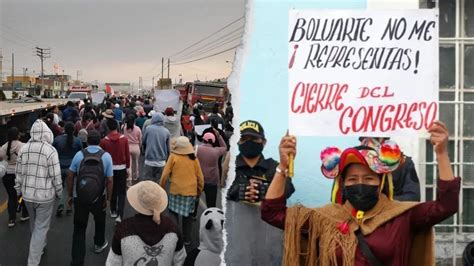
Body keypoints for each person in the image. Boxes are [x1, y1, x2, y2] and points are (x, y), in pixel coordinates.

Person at [261, 121, 459, 265]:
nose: (360, 184)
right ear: (343, 184)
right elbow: (272, 213)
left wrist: (441, 153)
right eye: (353, 179)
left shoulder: (402, 217)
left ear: (381, 183)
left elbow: (446, 205)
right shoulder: (325, 219)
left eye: (369, 178)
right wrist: (283, 168)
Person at [225, 120, 295, 266]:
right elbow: (218, 188)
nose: (248, 142)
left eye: (254, 139)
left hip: (268, 242)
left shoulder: (274, 166)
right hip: (237, 239)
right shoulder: (230, 164)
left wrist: (265, 191)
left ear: (264, 141)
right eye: (244, 138)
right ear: (238, 142)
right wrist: (237, 191)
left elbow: (288, 188)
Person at [15, 119, 63, 265]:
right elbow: (56, 176)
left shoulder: (23, 149)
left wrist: (18, 191)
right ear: (46, 134)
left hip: (27, 195)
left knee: (34, 224)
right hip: (45, 197)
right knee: (41, 226)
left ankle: (41, 246)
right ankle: (33, 261)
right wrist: (59, 193)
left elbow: (19, 173)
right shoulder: (50, 151)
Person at [106, 181, 186, 265]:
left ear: (137, 205)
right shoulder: (173, 228)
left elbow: (112, 262)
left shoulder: (123, 229)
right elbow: (181, 260)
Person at [67, 130, 114, 266]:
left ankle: (77, 260)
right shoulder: (106, 157)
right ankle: (99, 243)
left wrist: (70, 195)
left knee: (79, 228)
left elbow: (70, 176)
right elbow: (110, 180)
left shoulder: (79, 155)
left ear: (87, 141)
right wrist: (108, 199)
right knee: (100, 221)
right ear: (99, 141)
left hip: (80, 197)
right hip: (99, 197)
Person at [160, 136, 204, 245]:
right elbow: (200, 178)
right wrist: (198, 192)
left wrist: (161, 188)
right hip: (190, 192)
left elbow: (165, 175)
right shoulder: (194, 158)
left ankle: (175, 237)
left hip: (176, 190)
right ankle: (186, 239)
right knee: (188, 217)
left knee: (173, 213)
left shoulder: (173, 156)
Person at [359, 137, 421, 201]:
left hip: (396, 209)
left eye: (376, 140)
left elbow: (413, 196)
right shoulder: (355, 163)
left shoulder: (404, 162)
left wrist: (385, 203)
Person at [100, 119, 130, 223]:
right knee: (121, 192)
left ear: (108, 128)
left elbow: (102, 156)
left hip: (109, 169)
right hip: (121, 168)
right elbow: (127, 155)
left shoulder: (104, 141)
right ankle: (120, 214)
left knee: (111, 190)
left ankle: (112, 210)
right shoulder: (124, 139)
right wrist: (128, 168)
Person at [0, 127, 29, 227]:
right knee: (23, 194)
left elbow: (1, 158)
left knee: (11, 197)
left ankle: (11, 219)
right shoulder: (23, 146)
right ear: (18, 135)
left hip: (7, 174)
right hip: (20, 173)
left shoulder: (3, 147)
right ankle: (24, 214)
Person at [53, 122, 83, 216]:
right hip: (72, 168)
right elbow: (81, 153)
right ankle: (68, 207)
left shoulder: (57, 139)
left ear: (64, 129)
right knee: (70, 188)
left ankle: (61, 204)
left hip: (59, 167)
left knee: (60, 188)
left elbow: (53, 152)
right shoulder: (77, 141)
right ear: (74, 130)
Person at [196, 132, 227, 208]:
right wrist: (219, 136)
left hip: (199, 179)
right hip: (212, 180)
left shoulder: (197, 149)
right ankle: (211, 217)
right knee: (211, 203)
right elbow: (224, 147)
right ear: (213, 141)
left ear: (203, 140)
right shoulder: (216, 151)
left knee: (195, 199)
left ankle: (192, 215)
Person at [142, 113, 170, 182]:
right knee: (159, 184)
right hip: (161, 161)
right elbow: (168, 148)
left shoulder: (148, 129)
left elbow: (143, 141)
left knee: (147, 183)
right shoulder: (166, 131)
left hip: (149, 160)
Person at [122, 114, 142, 186]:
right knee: (136, 163)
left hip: (127, 147)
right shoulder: (138, 129)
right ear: (134, 120)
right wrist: (139, 147)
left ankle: (129, 179)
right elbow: (140, 140)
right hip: (135, 146)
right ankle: (135, 176)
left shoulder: (124, 127)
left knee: (128, 164)